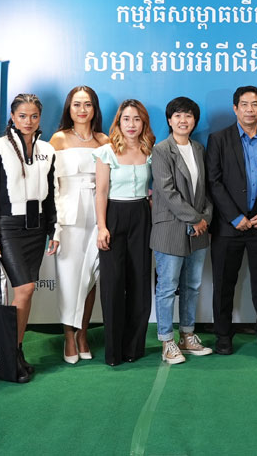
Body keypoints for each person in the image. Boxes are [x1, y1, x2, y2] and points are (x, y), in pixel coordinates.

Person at [0, 93, 57, 383]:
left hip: (37, 228)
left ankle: (17, 351)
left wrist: (55, 229)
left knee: (28, 291)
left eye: (34, 116)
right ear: (12, 117)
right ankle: (9, 353)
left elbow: (52, 194)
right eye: (22, 116)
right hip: (8, 227)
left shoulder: (47, 149)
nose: (28, 121)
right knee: (23, 289)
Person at [207, 86, 257, 356]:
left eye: (254, 105)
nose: (249, 109)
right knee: (223, 284)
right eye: (244, 104)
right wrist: (234, 216)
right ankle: (223, 336)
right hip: (228, 227)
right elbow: (214, 182)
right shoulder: (218, 139)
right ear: (235, 108)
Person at [150, 97, 214, 364]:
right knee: (167, 287)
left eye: (188, 116)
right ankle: (167, 341)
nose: (183, 120)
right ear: (169, 120)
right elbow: (167, 191)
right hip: (170, 228)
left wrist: (205, 218)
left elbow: (206, 190)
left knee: (192, 285)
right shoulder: (161, 150)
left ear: (194, 120)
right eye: (177, 115)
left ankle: (187, 335)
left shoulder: (198, 148)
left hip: (198, 230)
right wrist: (195, 219)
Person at [50, 86, 108, 364]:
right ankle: (68, 337)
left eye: (87, 104)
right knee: (69, 277)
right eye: (76, 104)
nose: (82, 110)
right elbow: (51, 184)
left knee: (91, 275)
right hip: (68, 215)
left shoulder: (104, 140)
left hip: (97, 213)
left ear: (94, 108)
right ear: (69, 108)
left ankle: (83, 334)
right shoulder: (58, 139)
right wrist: (54, 224)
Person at [94, 99, 155, 366]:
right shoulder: (106, 152)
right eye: (126, 119)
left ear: (144, 123)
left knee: (140, 282)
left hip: (142, 215)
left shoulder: (150, 151)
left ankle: (134, 348)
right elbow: (101, 192)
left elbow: (154, 188)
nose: (131, 124)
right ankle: (114, 351)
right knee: (113, 284)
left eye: (137, 119)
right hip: (114, 216)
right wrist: (102, 226)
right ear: (118, 122)